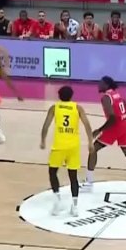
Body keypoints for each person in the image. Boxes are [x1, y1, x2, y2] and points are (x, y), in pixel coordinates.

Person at [41, 85, 94, 217]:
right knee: (73, 176)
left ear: (59, 96)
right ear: (71, 96)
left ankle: (57, 201)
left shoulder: (54, 108)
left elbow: (46, 126)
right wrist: (90, 142)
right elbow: (87, 125)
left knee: (52, 172)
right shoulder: (77, 108)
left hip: (59, 146)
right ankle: (75, 206)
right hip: (73, 146)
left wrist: (43, 140)